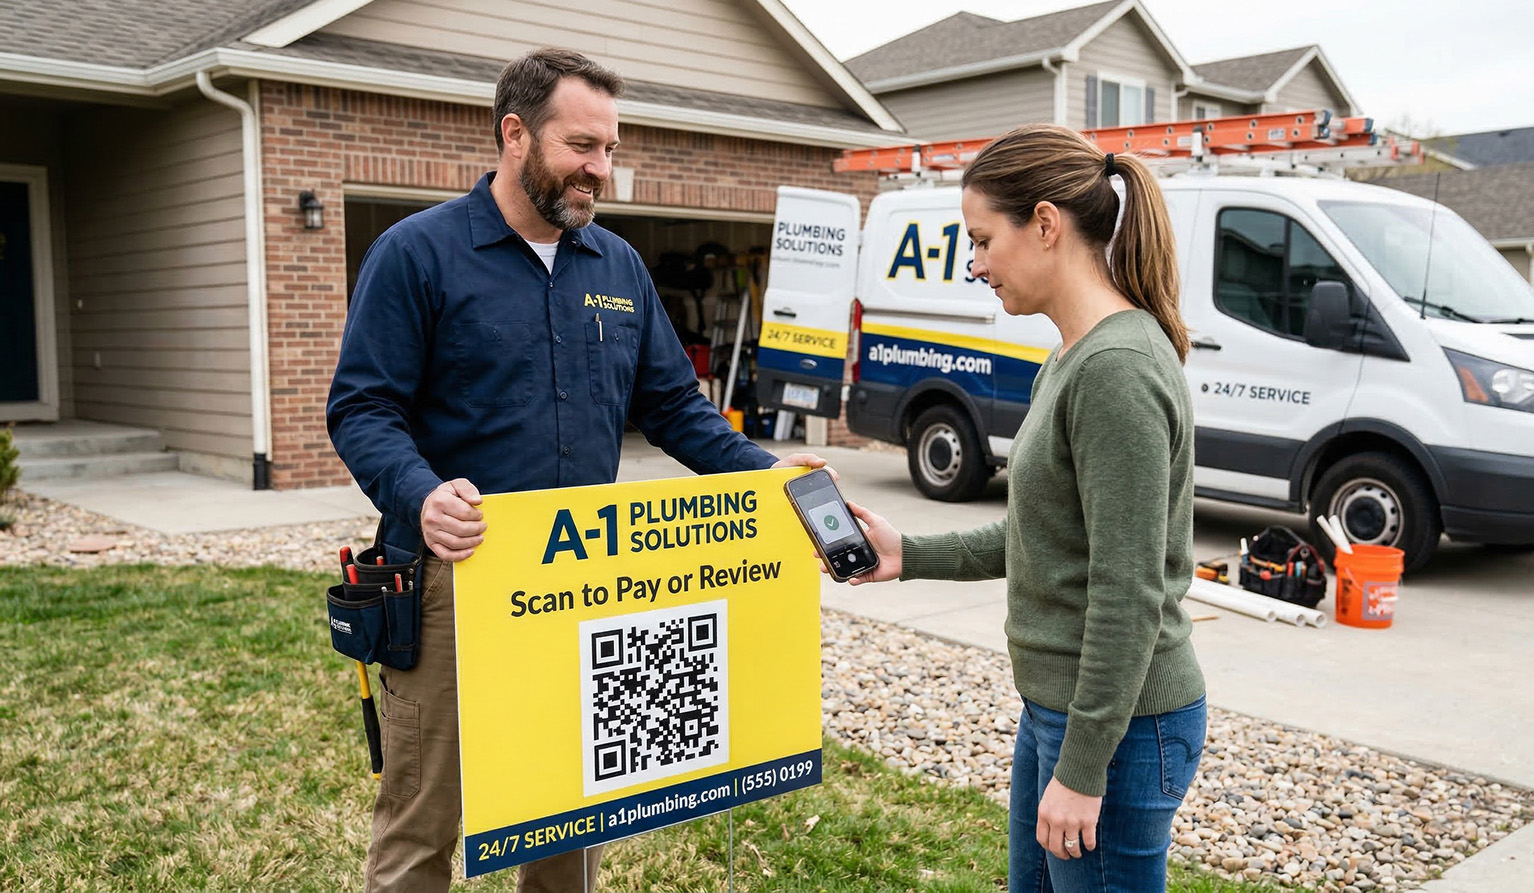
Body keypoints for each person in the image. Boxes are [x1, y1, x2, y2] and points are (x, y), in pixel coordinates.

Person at [327, 47, 829, 893]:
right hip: (456, 577)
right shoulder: (417, 255)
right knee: (423, 822)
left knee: (570, 807)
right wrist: (420, 495)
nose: (601, 169)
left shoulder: (618, 266)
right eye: (582, 146)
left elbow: (676, 410)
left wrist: (775, 477)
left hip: (587, 580)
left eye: (611, 150)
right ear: (514, 133)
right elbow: (362, 407)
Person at [842, 124, 1207, 892]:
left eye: (981, 240)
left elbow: (1128, 590)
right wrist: (907, 552)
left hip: (1118, 729)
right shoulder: (1074, 352)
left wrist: (1082, 768)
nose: (974, 264)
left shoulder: (1115, 369)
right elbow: (1042, 533)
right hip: (1064, 710)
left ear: (1045, 224)